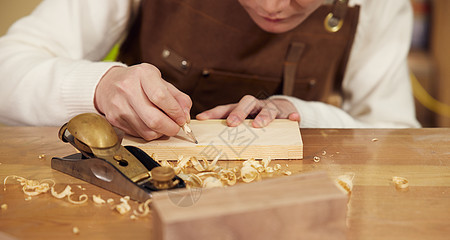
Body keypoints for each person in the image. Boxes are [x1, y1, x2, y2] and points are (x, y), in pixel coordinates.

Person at [0, 0, 420, 141]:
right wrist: (98, 86)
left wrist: (298, 114)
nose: (273, 7)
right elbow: (8, 67)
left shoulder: (379, 7)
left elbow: (394, 133)